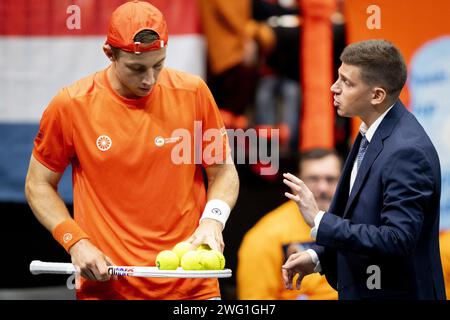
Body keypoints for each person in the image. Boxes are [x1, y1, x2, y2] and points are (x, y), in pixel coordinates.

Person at [24, 1, 239, 300]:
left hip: (192, 287)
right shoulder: (71, 105)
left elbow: (223, 171)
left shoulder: (194, 93)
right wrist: (75, 242)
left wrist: (213, 219)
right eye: (137, 69)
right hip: (108, 289)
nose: (149, 79)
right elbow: (38, 183)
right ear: (109, 54)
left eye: (159, 65)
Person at [282, 39, 446, 299]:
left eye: (347, 82)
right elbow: (364, 221)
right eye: (338, 77)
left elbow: (396, 239)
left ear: (377, 95)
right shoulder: (372, 130)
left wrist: (319, 220)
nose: (334, 88)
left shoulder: (406, 151)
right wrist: (319, 257)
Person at [237, 149, 340, 300]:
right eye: (313, 179)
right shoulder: (266, 235)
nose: (322, 188)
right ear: (294, 184)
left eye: (331, 179)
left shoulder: (356, 225)